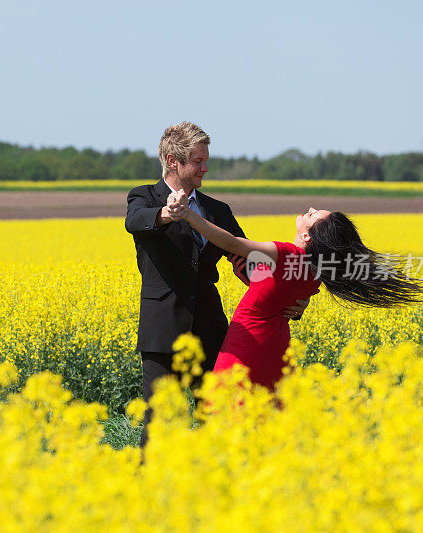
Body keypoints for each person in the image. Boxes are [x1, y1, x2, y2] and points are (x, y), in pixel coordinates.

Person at [125, 121, 308, 448]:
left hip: (211, 331)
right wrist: (168, 214)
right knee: (159, 425)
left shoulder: (216, 211)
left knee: (218, 417)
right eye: (197, 161)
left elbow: (252, 264)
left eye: (205, 160)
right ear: (172, 161)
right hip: (162, 332)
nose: (205, 168)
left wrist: (289, 301)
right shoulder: (145, 197)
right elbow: (135, 222)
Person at [164, 195, 423, 390]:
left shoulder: (285, 254)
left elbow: (232, 243)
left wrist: (189, 215)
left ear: (308, 237)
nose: (309, 209)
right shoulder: (318, 271)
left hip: (247, 346)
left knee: (228, 410)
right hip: (277, 348)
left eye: (313, 216)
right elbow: (279, 290)